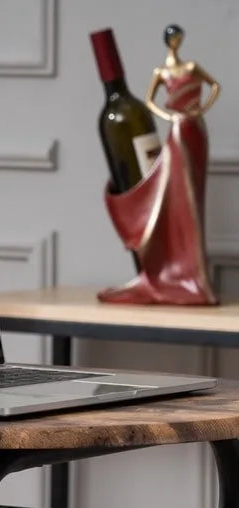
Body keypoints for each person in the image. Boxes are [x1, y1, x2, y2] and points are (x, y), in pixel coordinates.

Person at [98, 24, 220, 304]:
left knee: (193, 197)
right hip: (178, 130)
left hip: (194, 131)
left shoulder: (190, 66)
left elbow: (214, 86)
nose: (175, 42)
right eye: (172, 38)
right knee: (177, 194)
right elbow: (152, 102)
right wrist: (170, 116)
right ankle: (171, 269)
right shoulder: (161, 74)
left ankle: (193, 274)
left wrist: (198, 110)